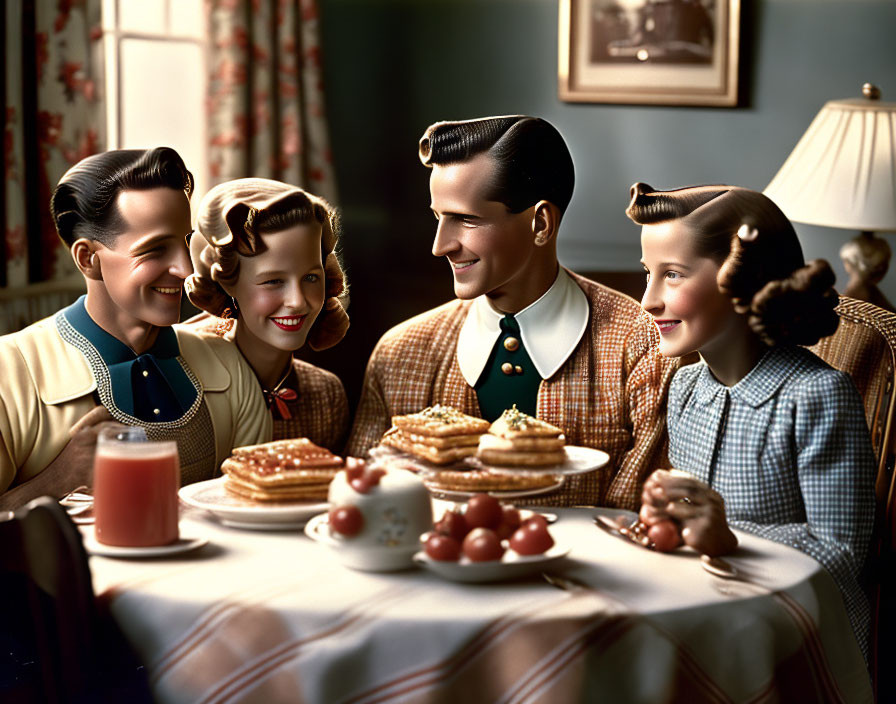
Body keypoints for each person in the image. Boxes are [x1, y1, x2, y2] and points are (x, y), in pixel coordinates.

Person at [347, 116, 678, 508]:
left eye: (467, 220)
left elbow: (640, 514)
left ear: (540, 223)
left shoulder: (641, 344)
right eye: (439, 217)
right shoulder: (399, 352)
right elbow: (363, 500)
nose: (440, 245)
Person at [629, 182, 876, 653]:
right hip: (705, 616)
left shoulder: (817, 396)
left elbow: (843, 552)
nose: (648, 299)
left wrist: (730, 539)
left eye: (673, 275)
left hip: (799, 640)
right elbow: (693, 529)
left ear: (743, 279)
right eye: (648, 274)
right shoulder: (684, 388)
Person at [0, 148, 271, 508]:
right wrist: (57, 479)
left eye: (186, 244)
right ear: (88, 259)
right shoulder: (9, 373)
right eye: (155, 250)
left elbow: (262, 505)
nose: (186, 270)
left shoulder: (229, 367)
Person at [184, 178, 350, 451]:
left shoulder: (326, 395)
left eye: (310, 277)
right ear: (227, 281)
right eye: (273, 281)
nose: (297, 302)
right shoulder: (187, 380)